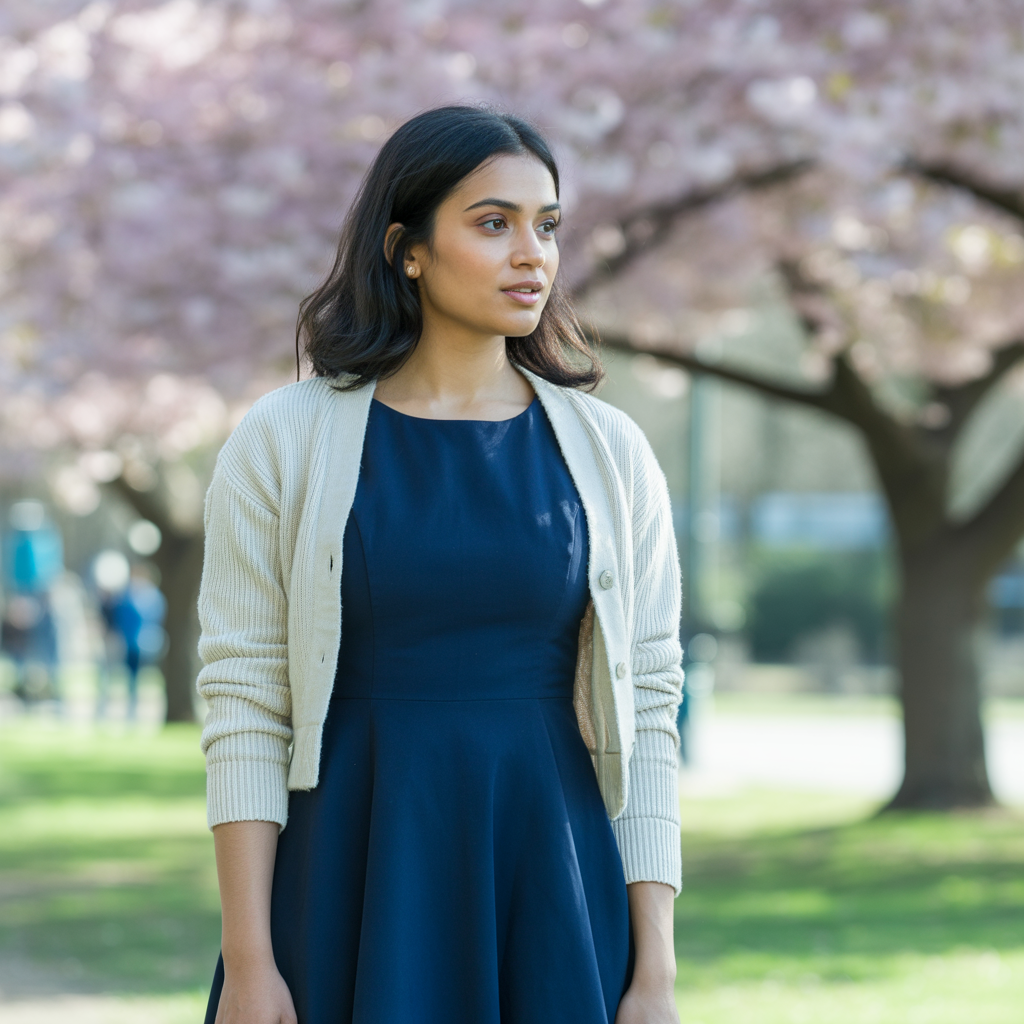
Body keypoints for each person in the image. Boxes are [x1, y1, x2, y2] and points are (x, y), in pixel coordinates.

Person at [198, 106, 684, 1024]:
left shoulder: (610, 452)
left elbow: (650, 704)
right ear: (407, 248)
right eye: (492, 223)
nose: (531, 254)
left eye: (547, 226)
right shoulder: (282, 440)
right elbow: (245, 700)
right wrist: (250, 960)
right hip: (348, 872)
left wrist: (653, 968)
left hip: (554, 877)